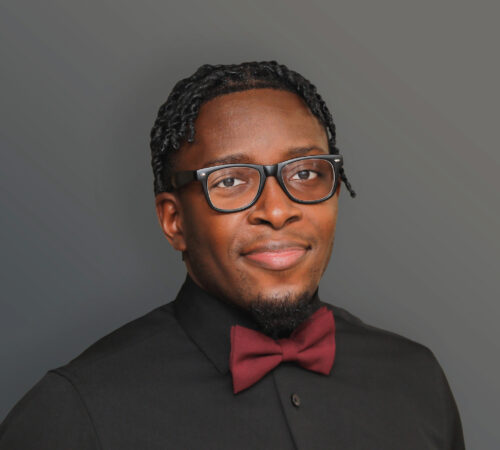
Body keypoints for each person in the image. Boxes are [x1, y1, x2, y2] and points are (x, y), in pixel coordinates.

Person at [0, 61, 465, 449]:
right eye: (230, 181)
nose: (278, 209)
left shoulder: (416, 380)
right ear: (173, 221)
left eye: (305, 172)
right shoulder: (75, 412)